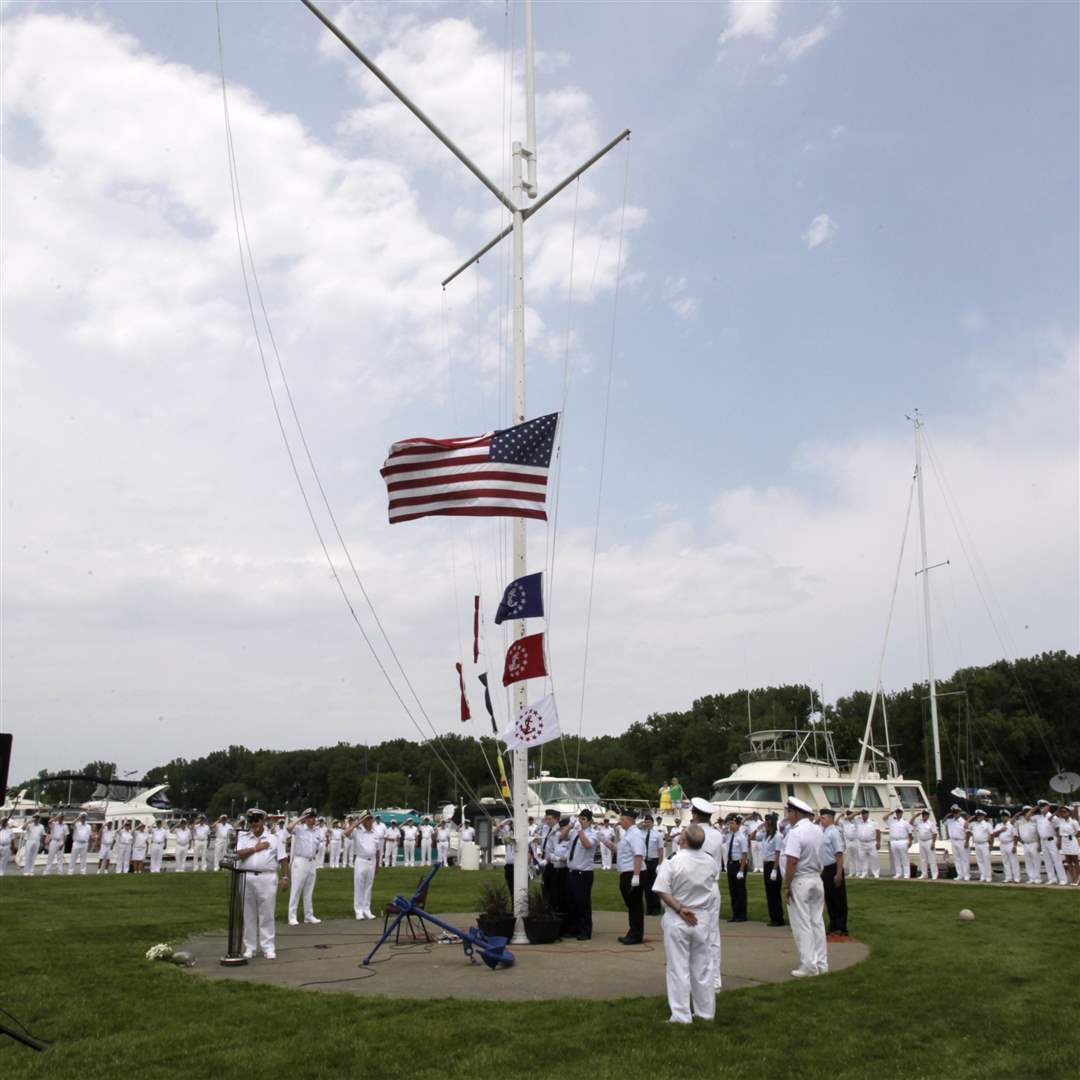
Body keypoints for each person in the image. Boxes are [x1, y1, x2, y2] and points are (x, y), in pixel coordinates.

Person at [651, 824, 720, 1024]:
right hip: (702, 918)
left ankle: (681, 1015)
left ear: (683, 841)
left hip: (679, 916)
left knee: (678, 968)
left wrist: (679, 908)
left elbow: (661, 889)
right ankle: (706, 1012)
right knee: (703, 968)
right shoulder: (710, 861)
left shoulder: (673, 861)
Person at [782, 797, 828, 978]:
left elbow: (792, 861)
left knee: (802, 924)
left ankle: (808, 964)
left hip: (801, 879)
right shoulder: (818, 830)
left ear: (794, 813)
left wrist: (787, 885)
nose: (788, 816)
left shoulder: (796, 832)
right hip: (816, 878)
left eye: (789, 812)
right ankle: (821, 963)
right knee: (817, 922)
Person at [235, 808, 288, 959]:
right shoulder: (244, 837)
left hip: (267, 877)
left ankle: (268, 947)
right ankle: (250, 947)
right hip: (247, 876)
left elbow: (283, 859)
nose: (254, 824)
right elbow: (238, 854)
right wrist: (255, 848)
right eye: (251, 821)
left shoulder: (273, 839)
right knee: (248, 913)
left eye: (256, 820)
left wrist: (285, 877)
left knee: (267, 914)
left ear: (263, 821)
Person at [612, 809, 646, 944]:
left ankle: (636, 935)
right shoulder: (628, 834)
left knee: (635, 905)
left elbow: (638, 855)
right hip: (627, 872)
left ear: (626, 820)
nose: (619, 822)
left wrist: (636, 876)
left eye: (621, 820)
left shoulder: (635, 834)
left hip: (633, 872)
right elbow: (619, 850)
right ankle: (633, 931)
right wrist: (604, 840)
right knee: (632, 905)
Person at [286, 808, 322, 925]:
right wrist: (301, 818)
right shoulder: (300, 829)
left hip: (312, 862)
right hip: (300, 861)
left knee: (309, 891)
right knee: (296, 890)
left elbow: (317, 847)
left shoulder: (317, 831)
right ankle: (292, 916)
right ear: (305, 818)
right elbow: (288, 828)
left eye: (313, 817)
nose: (312, 819)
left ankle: (309, 915)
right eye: (310, 817)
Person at [565, 809, 597, 940]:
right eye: (579, 818)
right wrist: (570, 825)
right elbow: (561, 836)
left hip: (584, 873)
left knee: (583, 903)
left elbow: (587, 844)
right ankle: (574, 928)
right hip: (572, 872)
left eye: (583, 819)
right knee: (571, 902)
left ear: (589, 821)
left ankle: (585, 930)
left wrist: (580, 831)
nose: (580, 821)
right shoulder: (573, 831)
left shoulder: (593, 833)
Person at [345, 811, 381, 918]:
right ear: (362, 821)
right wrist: (357, 823)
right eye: (367, 819)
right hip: (361, 860)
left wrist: (377, 866)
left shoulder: (375, 833)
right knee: (359, 886)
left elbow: (378, 850)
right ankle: (358, 911)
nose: (369, 821)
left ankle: (367, 909)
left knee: (368, 886)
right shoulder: (357, 831)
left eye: (370, 819)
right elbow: (346, 833)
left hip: (372, 861)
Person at [819, 809, 848, 940]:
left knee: (838, 899)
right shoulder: (823, 832)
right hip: (825, 869)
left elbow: (839, 854)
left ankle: (841, 927)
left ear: (830, 818)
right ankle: (833, 925)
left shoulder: (834, 832)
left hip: (833, 867)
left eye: (823, 817)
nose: (821, 819)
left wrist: (839, 873)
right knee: (829, 899)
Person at [755, 814, 785, 926]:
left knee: (775, 893)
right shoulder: (765, 835)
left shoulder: (777, 836)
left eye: (767, 822)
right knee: (769, 893)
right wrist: (759, 827)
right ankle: (773, 917)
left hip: (773, 865)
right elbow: (752, 836)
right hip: (766, 865)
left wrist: (775, 870)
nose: (765, 824)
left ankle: (778, 918)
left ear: (772, 823)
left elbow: (778, 854)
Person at [723, 814, 749, 922]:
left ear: (738, 825)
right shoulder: (729, 835)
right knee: (732, 890)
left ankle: (742, 915)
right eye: (730, 823)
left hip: (739, 865)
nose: (730, 826)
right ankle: (735, 914)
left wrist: (741, 870)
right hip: (731, 864)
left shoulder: (742, 837)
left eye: (732, 823)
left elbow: (744, 854)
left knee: (740, 890)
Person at [1036, 801, 1067, 885]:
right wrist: (1039, 843)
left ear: (1048, 807)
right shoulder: (1039, 818)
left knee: (1057, 860)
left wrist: (1059, 840)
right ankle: (1052, 879)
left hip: (1052, 840)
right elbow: (1039, 832)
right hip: (1043, 841)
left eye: (1043, 806)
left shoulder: (1052, 817)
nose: (1042, 808)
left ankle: (1063, 879)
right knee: (1047, 861)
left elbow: (1058, 829)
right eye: (1040, 806)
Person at [641, 814, 665, 916]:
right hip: (644, 862)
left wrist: (659, 864)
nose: (647, 824)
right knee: (646, 886)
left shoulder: (658, 834)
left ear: (652, 823)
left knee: (654, 886)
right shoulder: (641, 834)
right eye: (645, 822)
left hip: (654, 861)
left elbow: (661, 850)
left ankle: (656, 908)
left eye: (649, 822)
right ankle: (649, 908)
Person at [966, 809, 993, 882]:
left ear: (984, 816)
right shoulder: (973, 824)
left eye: (980, 815)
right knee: (979, 861)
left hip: (984, 844)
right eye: (977, 815)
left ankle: (988, 877)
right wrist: (971, 818)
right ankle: (982, 876)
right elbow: (965, 826)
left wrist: (991, 845)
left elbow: (991, 835)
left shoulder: (987, 824)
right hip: (977, 844)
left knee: (986, 861)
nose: (978, 817)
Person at [885, 807, 913, 879]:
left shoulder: (905, 822)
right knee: (896, 858)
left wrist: (910, 841)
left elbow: (910, 833)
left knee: (904, 858)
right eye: (897, 812)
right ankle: (898, 873)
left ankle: (906, 874)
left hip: (903, 841)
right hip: (894, 841)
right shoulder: (892, 821)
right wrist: (891, 812)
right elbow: (884, 818)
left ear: (902, 813)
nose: (898, 814)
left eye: (899, 812)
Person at [1015, 805, 1041, 883]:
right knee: (1028, 862)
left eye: (1028, 811)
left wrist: (1039, 844)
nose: (1027, 813)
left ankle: (1037, 878)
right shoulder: (1020, 821)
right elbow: (1012, 824)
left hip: (1034, 843)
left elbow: (1038, 834)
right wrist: (1017, 815)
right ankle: (1031, 878)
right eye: (1025, 812)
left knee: (1036, 862)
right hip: (1025, 844)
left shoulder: (1035, 821)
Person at [992, 812, 1019, 884]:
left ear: (1008, 817)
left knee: (1013, 861)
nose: (1003, 818)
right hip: (1002, 844)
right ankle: (1008, 878)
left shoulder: (1011, 825)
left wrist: (1014, 846)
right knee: (1005, 862)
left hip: (1010, 843)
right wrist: (1000, 830)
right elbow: (994, 835)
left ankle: (1016, 878)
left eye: (1005, 816)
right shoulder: (998, 825)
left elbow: (1015, 836)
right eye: (1002, 817)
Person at [1055, 805, 1079, 886]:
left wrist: (1073, 835)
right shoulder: (1060, 821)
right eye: (1061, 812)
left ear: (1069, 813)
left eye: (1064, 811)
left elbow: (1078, 831)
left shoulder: (1073, 821)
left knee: (1075, 861)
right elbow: (1055, 815)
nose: (1062, 813)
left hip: (1072, 840)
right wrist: (1060, 808)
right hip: (1064, 841)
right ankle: (1073, 878)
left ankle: (1077, 879)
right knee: (1068, 861)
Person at [912, 810, 939, 880]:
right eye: (924, 814)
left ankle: (934, 875)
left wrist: (933, 842)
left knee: (932, 859)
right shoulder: (919, 822)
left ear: (928, 815)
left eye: (926, 814)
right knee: (923, 859)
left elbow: (935, 833)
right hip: (921, 842)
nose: (925, 816)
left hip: (929, 841)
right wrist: (916, 815)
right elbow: (910, 822)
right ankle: (924, 874)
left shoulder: (931, 823)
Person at [945, 806, 970, 881]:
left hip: (962, 841)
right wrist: (949, 814)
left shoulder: (963, 821)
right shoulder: (950, 821)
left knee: (964, 859)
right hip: (953, 841)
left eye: (956, 812)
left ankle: (966, 875)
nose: (955, 814)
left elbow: (968, 832)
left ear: (959, 812)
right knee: (957, 859)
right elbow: (943, 821)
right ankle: (960, 875)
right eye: (954, 812)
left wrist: (967, 841)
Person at [855, 809, 880, 879]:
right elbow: (848, 818)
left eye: (865, 813)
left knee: (874, 858)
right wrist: (857, 812)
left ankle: (876, 873)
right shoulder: (858, 821)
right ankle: (864, 873)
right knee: (862, 858)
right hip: (861, 843)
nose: (864, 815)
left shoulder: (873, 822)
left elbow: (878, 832)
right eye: (862, 813)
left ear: (868, 814)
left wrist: (878, 842)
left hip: (871, 843)